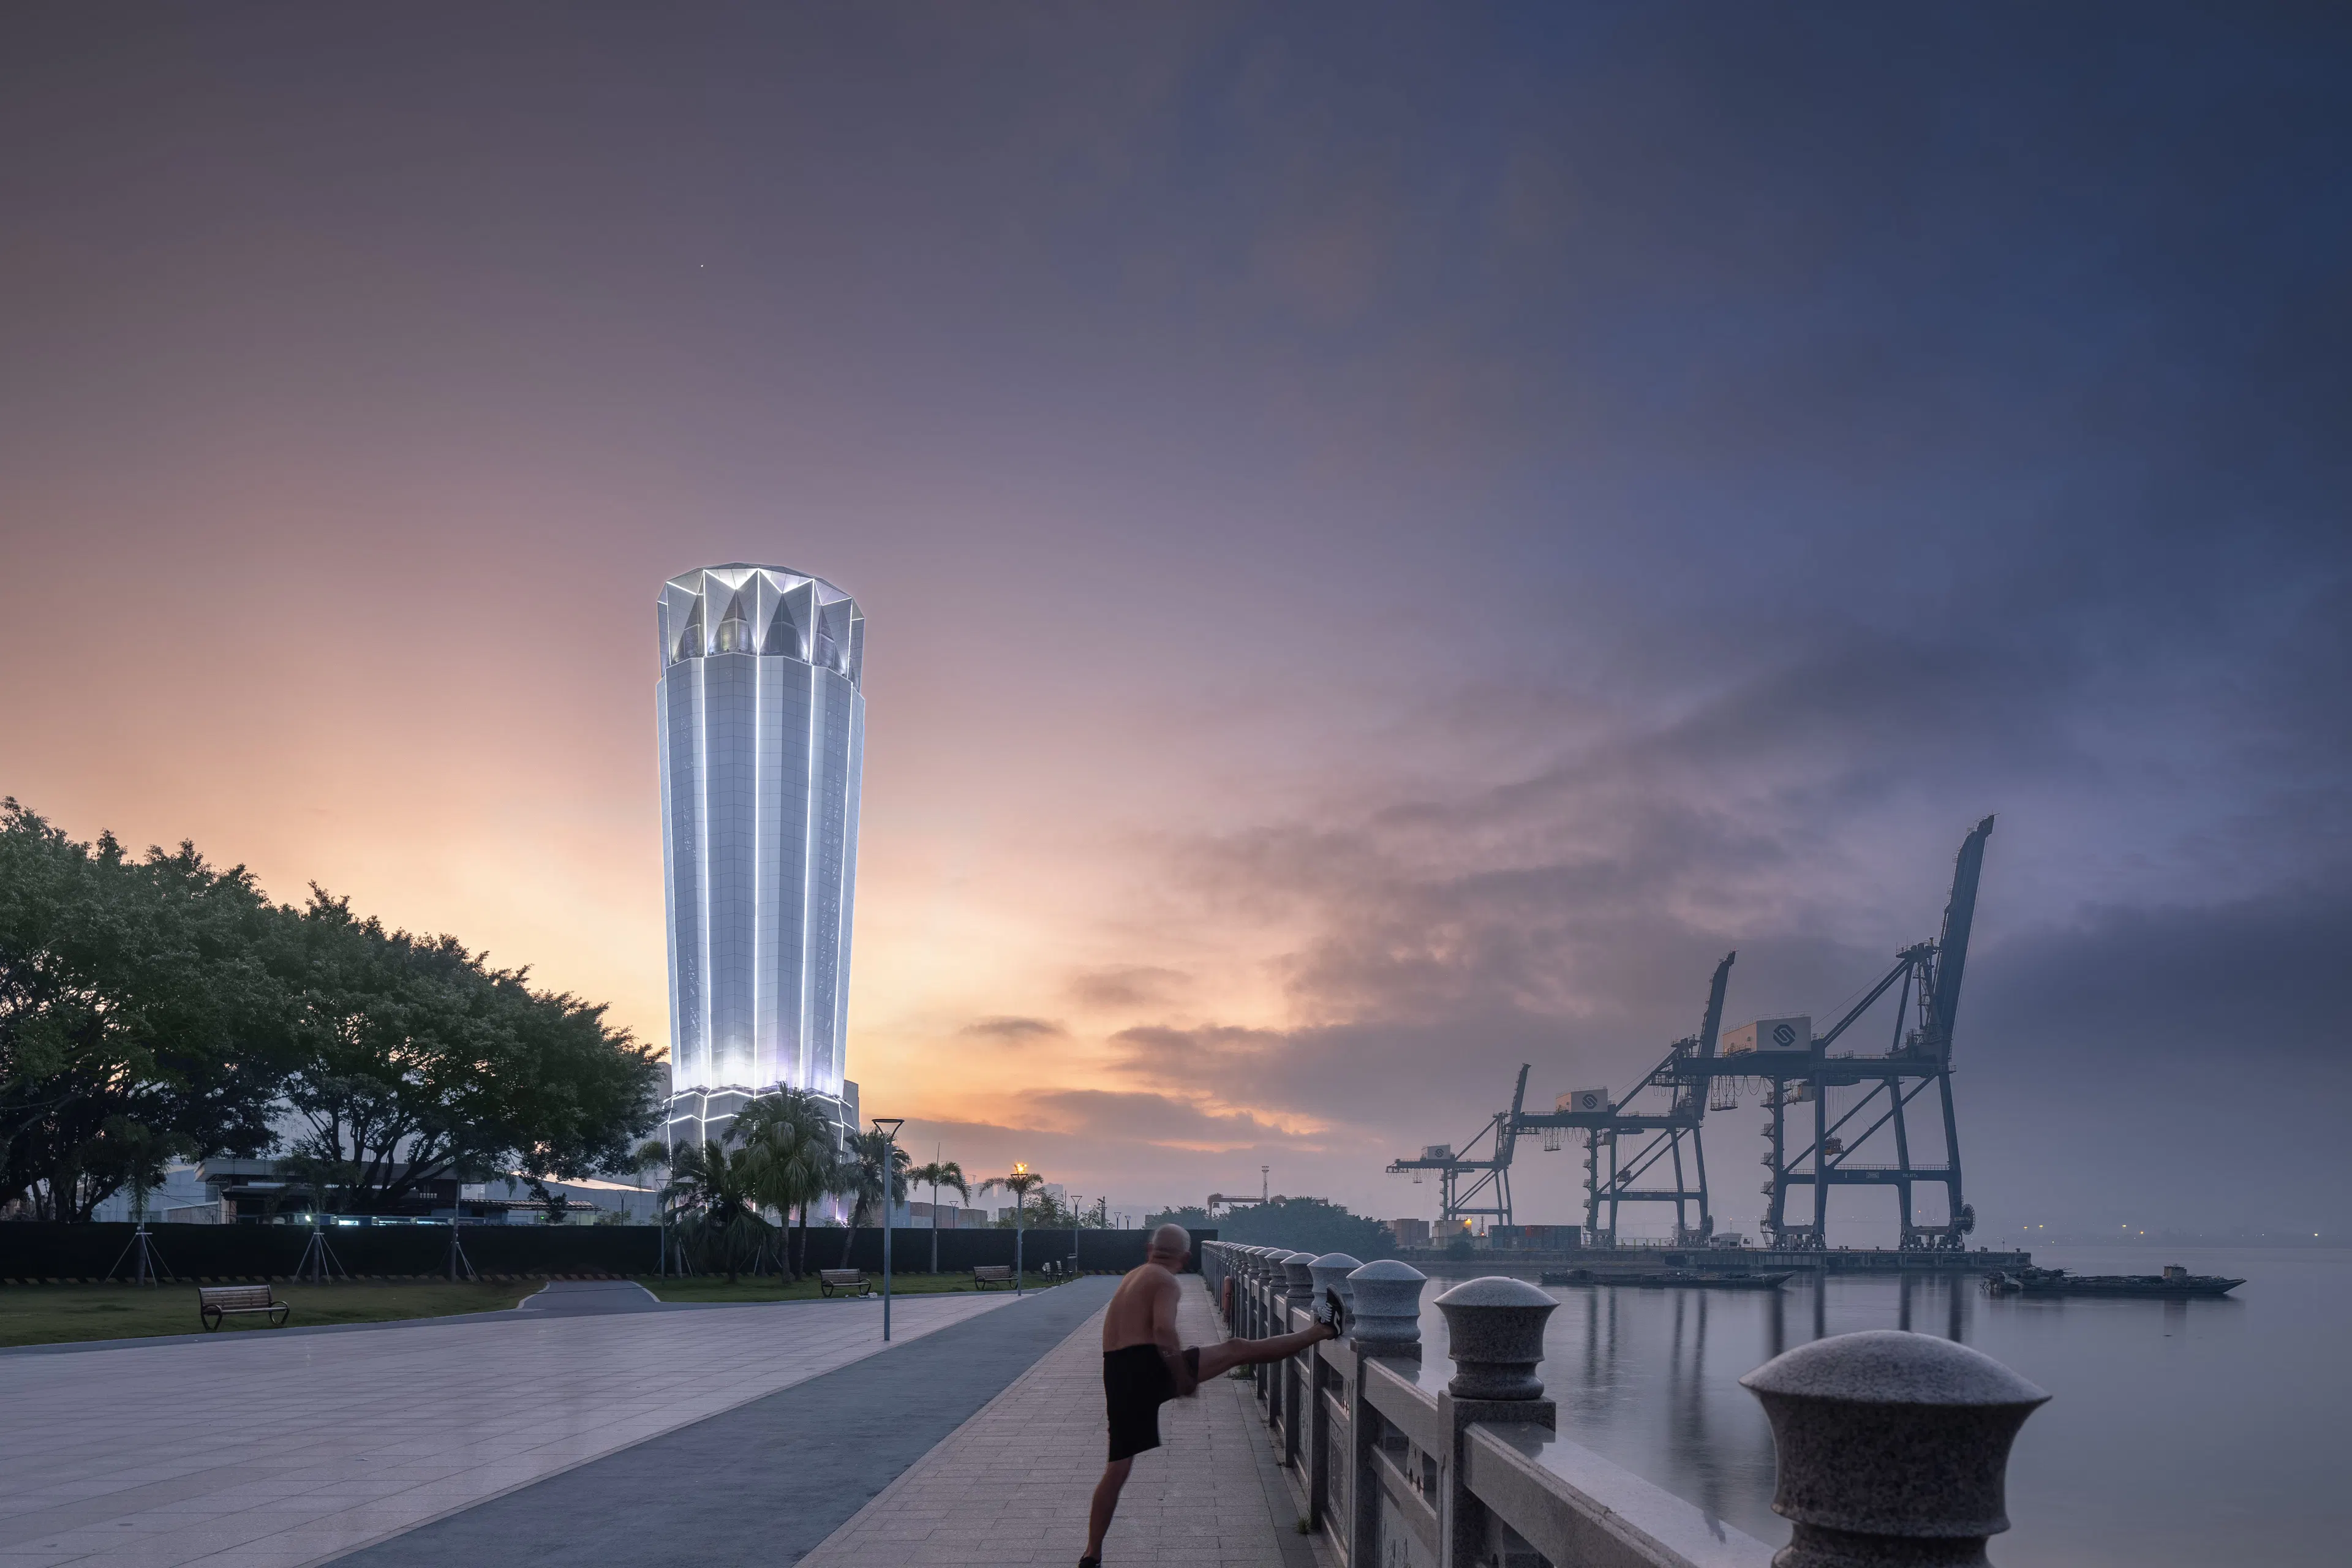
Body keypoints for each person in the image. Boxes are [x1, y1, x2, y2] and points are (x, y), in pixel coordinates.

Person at [1083, 1224, 1341, 1567]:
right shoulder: (1164, 1280)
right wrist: (1181, 1376)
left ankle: (1091, 1555)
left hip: (1117, 1372)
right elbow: (1163, 1330)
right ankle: (1324, 1329)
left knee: (1116, 1469)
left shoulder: (1134, 1275)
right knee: (1239, 1349)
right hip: (1147, 1366)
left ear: (1149, 1248)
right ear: (1187, 1257)